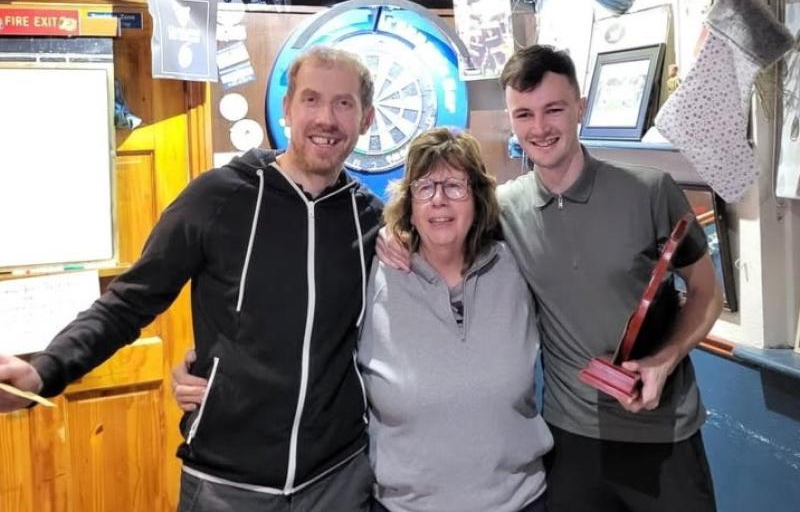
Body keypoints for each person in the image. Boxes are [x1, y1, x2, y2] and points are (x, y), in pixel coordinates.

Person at [0, 46, 383, 512]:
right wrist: (43, 370)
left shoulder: (373, 221)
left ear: (366, 119)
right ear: (287, 108)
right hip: (225, 482)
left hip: (337, 480)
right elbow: (128, 302)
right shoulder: (219, 197)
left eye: (344, 103)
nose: (326, 117)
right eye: (311, 99)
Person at [378, 45, 722, 512]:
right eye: (524, 114)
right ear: (511, 120)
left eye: (553, 110)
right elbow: (442, 218)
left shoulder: (650, 192)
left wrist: (663, 361)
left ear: (580, 108)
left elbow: (706, 292)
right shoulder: (503, 208)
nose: (539, 128)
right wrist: (394, 230)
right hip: (569, 442)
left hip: (665, 434)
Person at [175, 128, 553, 512]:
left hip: (519, 502)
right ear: (409, 203)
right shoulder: (374, 267)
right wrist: (213, 360)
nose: (439, 200)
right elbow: (298, 331)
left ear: (477, 197)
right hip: (402, 506)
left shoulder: (517, 264)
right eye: (425, 187)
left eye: (455, 186)